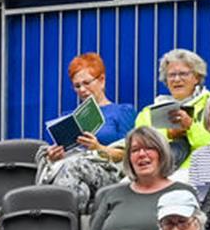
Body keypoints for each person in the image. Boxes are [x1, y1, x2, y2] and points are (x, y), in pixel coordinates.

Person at [36, 52, 137, 214]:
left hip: (109, 172)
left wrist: (97, 147)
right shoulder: (67, 117)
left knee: (73, 167)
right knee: (74, 182)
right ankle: (67, 220)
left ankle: (58, 220)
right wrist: (54, 156)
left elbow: (129, 154)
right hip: (73, 172)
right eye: (77, 86)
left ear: (101, 80)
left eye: (87, 83)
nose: (82, 89)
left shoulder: (122, 112)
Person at [81, 125, 193, 230]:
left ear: (162, 154)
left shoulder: (182, 192)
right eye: (135, 150)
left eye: (149, 148)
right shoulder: (112, 194)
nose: (141, 154)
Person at [133, 48, 210, 170]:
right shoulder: (148, 112)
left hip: (199, 172)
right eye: (171, 75)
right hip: (156, 172)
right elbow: (140, 147)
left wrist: (190, 127)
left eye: (183, 74)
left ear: (197, 78)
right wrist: (169, 134)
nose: (177, 79)